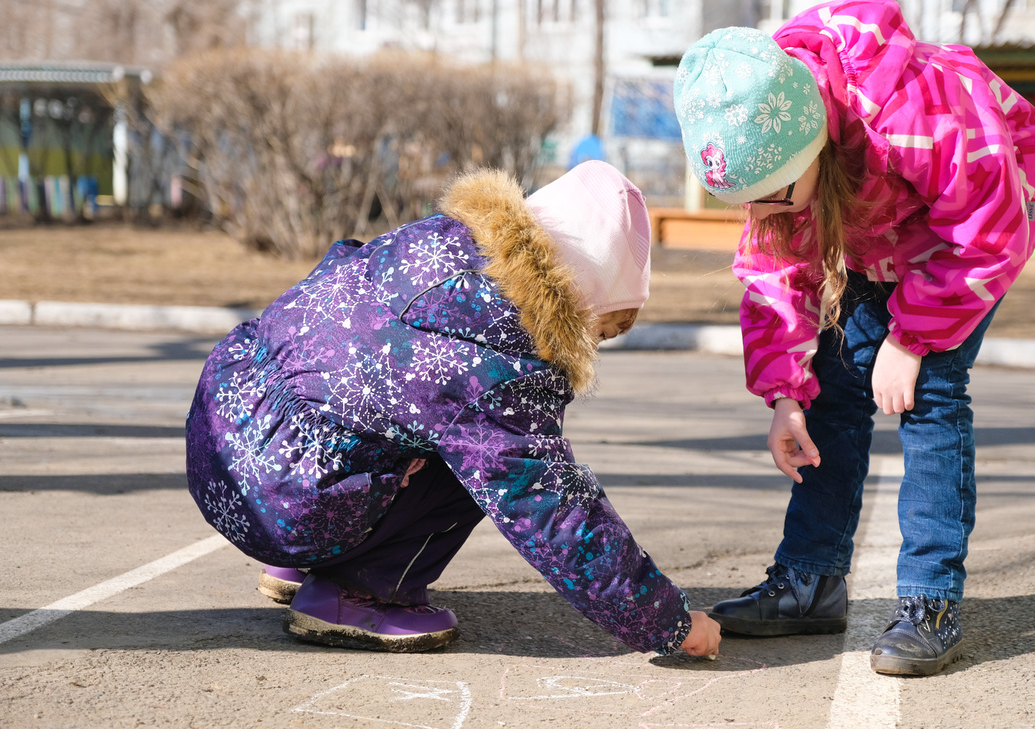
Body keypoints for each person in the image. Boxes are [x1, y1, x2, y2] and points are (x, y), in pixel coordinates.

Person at [185, 160, 722, 659]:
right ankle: (353, 594)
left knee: (395, 415)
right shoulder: (502, 358)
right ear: (578, 294)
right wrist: (669, 622)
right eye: (600, 329)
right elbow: (552, 507)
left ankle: (301, 560)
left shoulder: (434, 241)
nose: (596, 346)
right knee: (486, 459)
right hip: (291, 504)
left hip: (225, 447)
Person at [673, 0, 1035, 676]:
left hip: (964, 243)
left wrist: (911, 340)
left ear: (814, 145)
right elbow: (773, 278)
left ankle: (931, 600)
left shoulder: (916, 115)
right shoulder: (777, 159)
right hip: (870, 231)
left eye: (773, 194)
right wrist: (785, 395)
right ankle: (811, 581)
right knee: (831, 391)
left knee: (930, 397)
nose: (761, 213)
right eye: (746, 202)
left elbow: (988, 234)